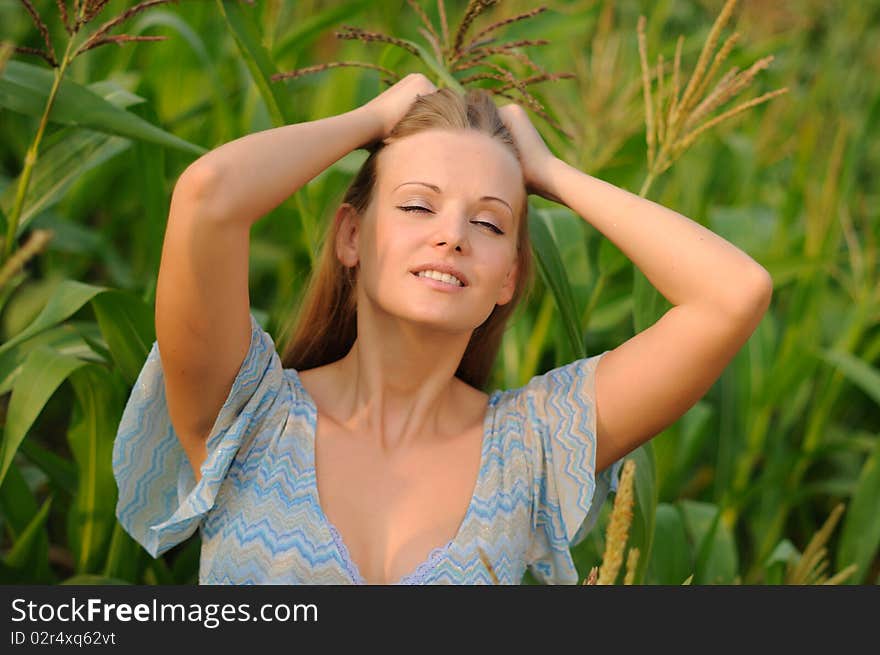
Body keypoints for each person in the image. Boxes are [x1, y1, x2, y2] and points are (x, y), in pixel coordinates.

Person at [112, 73, 772, 584]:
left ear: (510, 274)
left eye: (487, 222)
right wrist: (372, 119)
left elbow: (733, 293)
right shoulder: (249, 413)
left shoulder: (532, 447)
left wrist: (548, 173)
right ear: (351, 235)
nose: (451, 235)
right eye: (417, 204)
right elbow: (207, 195)